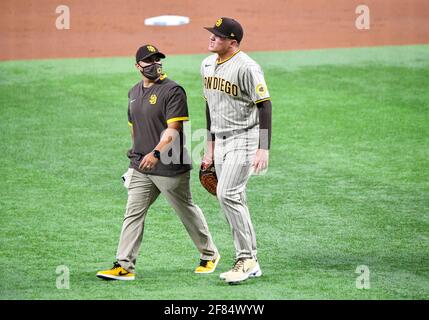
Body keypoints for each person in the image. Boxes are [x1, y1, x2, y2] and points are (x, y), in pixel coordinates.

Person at [97, 44, 220, 281]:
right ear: (138, 66)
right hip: (141, 166)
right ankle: (125, 265)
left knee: (185, 210)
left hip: (169, 165)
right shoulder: (133, 93)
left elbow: (173, 130)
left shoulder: (173, 90)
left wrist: (155, 153)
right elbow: (135, 130)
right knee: (133, 213)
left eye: (157, 59)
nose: (154, 64)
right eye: (149, 61)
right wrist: (136, 156)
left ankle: (209, 254)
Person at [201, 18, 272, 284]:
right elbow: (209, 105)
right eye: (212, 34)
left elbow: (265, 106)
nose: (212, 38)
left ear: (232, 42)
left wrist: (263, 148)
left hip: (245, 138)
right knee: (233, 198)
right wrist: (210, 145)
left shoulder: (247, 67)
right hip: (220, 140)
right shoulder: (206, 64)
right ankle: (249, 259)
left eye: (218, 36)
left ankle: (247, 259)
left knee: (227, 193)